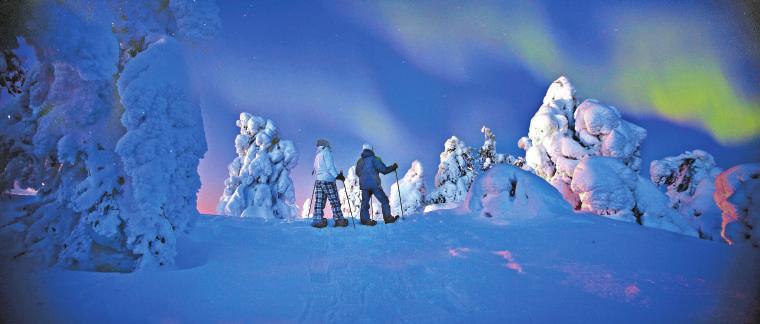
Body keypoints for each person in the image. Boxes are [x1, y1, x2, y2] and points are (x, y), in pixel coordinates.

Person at [355, 144, 399, 226]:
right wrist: (393, 167)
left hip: (364, 186)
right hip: (375, 185)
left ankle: (365, 220)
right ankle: (388, 218)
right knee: (384, 201)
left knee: (365, 203)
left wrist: (364, 177)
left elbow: (357, 172)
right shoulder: (375, 159)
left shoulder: (359, 161)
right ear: (371, 150)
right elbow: (384, 170)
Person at [311, 139, 348, 228]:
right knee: (334, 200)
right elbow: (330, 167)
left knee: (319, 201)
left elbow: (315, 169)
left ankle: (318, 220)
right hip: (328, 180)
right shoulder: (327, 153)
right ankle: (339, 220)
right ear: (326, 145)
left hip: (319, 181)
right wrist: (338, 176)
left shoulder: (317, 156)